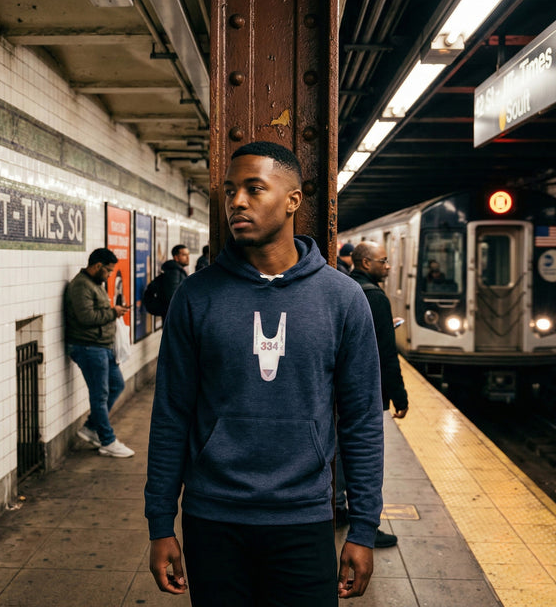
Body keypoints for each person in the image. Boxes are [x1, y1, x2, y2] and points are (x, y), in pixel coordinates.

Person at [144, 141, 384, 606]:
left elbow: (362, 419)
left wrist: (364, 528)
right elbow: (171, 413)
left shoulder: (342, 298)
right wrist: (160, 522)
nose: (236, 201)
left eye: (255, 188)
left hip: (303, 518)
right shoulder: (195, 297)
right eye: (230, 190)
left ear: (293, 199)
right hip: (212, 518)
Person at [336, 242, 409, 547]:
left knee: (340, 448)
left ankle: (338, 506)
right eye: (383, 261)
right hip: (367, 388)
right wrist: (400, 394)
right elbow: (385, 353)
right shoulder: (375, 297)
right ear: (366, 263)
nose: (388, 266)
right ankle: (363, 521)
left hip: (339, 386)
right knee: (361, 452)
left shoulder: (345, 286)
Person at [64, 248, 135, 458]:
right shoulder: (80, 286)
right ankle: (107, 440)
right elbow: (87, 317)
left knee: (117, 385)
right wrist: (113, 312)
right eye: (109, 271)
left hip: (102, 347)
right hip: (88, 347)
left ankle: (90, 428)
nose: (110, 275)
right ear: (97, 266)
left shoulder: (95, 284)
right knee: (100, 395)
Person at [160, 244, 190, 319]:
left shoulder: (177, 270)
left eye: (188, 254)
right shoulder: (174, 272)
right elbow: (173, 296)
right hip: (175, 315)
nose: (188, 258)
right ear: (176, 257)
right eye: (184, 255)